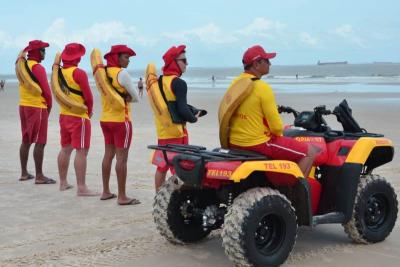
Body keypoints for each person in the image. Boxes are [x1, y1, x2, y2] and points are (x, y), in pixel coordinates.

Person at [227, 45, 317, 179]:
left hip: (234, 141)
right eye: (267, 60)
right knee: (310, 152)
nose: (270, 63)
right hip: (257, 143)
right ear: (257, 64)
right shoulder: (262, 87)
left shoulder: (235, 83)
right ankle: (295, 193)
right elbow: (276, 127)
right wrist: (280, 135)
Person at [152, 45, 206, 191]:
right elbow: (182, 109)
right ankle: (176, 199)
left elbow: (171, 105)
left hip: (163, 131)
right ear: (174, 62)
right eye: (184, 60)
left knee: (161, 167)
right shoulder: (179, 83)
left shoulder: (160, 80)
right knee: (178, 168)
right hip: (177, 132)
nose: (187, 63)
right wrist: (194, 118)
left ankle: (159, 197)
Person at [99, 44, 140, 205]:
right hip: (121, 121)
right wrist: (128, 97)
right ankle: (122, 196)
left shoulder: (103, 73)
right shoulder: (122, 74)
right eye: (125, 57)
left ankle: (105, 191)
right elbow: (136, 97)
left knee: (108, 154)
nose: (128, 61)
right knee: (122, 159)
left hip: (105, 119)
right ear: (117, 58)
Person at [56, 43, 98, 196]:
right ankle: (81, 188)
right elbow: (88, 96)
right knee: (82, 151)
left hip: (64, 114)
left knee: (65, 149)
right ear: (77, 58)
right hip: (78, 117)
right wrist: (90, 110)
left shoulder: (58, 73)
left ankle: (63, 182)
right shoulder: (78, 73)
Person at [18, 40, 55, 184]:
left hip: (23, 105)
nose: (44, 53)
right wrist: (49, 107)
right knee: (40, 141)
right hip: (37, 107)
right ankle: (39, 176)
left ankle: (24, 173)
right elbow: (46, 91)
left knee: (26, 139)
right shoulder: (37, 68)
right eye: (43, 50)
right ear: (36, 52)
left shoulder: (23, 66)